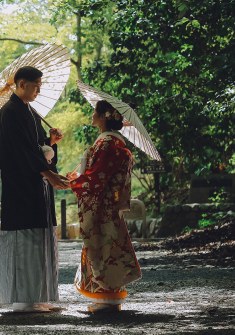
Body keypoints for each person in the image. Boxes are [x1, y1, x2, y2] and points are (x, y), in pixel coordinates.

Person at [0, 65, 69, 313]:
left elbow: (38, 148)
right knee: (25, 241)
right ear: (21, 84)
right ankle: (24, 300)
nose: (38, 90)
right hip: (21, 188)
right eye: (36, 85)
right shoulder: (9, 112)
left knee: (40, 240)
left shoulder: (31, 112)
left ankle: (37, 297)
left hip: (37, 187)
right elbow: (21, 152)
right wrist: (49, 173)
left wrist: (51, 142)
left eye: (40, 86)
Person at [67, 100, 142, 313]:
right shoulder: (111, 142)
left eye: (95, 112)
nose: (92, 115)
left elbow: (96, 177)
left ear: (103, 117)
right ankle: (107, 298)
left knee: (102, 246)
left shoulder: (107, 143)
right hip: (107, 204)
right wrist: (79, 175)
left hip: (102, 204)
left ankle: (107, 298)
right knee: (107, 245)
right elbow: (97, 172)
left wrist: (75, 180)